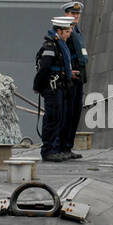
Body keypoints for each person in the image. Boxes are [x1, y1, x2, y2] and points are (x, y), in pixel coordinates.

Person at [33, 16, 74, 161]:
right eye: (67, 32)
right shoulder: (50, 47)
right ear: (59, 31)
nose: (69, 34)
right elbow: (44, 68)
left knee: (59, 119)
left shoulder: (60, 46)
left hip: (59, 89)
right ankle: (47, 150)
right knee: (52, 119)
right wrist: (37, 86)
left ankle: (54, 149)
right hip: (52, 89)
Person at [61, 0, 88, 159]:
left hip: (79, 77)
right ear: (66, 14)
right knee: (68, 113)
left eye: (77, 13)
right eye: (73, 13)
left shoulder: (76, 30)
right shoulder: (65, 32)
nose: (76, 15)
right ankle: (63, 147)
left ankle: (68, 147)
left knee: (75, 113)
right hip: (71, 78)